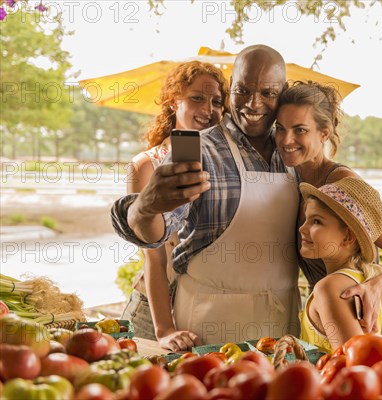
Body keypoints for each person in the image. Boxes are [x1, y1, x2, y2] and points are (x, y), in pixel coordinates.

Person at [112, 45, 302, 346]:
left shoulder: (295, 153)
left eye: (268, 93)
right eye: (242, 91)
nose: (254, 104)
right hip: (208, 328)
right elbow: (156, 236)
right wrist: (144, 209)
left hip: (282, 325)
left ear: (285, 91)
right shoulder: (195, 149)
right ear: (231, 91)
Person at [275, 81, 382, 334]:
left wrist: (376, 288)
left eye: (300, 130)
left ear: (324, 133)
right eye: (280, 128)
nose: (287, 140)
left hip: (365, 321)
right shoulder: (291, 180)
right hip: (327, 320)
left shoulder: (344, 184)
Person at [121, 61, 228, 350]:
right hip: (155, 308)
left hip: (202, 303)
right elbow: (153, 257)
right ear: (173, 101)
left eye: (217, 101)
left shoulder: (227, 163)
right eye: (197, 98)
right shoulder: (146, 165)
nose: (208, 109)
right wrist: (165, 329)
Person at [298, 177, 382, 351]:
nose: (302, 228)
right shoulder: (370, 280)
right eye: (306, 219)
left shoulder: (330, 288)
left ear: (348, 237)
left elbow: (353, 364)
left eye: (317, 221)